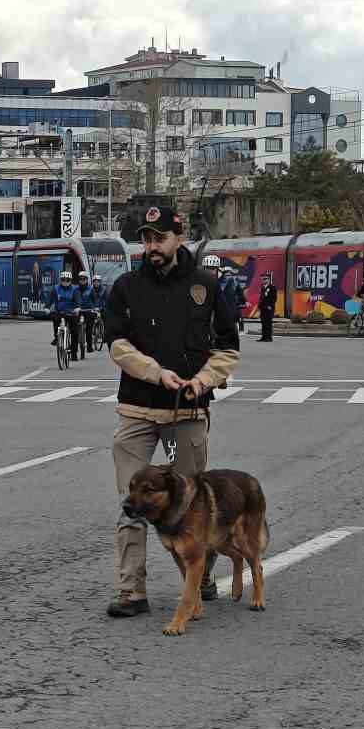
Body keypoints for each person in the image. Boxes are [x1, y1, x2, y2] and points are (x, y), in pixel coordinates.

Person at [101, 207, 240, 618]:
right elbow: (118, 346)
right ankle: (132, 591)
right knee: (131, 503)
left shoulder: (206, 286)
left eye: (159, 238)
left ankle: (202, 575)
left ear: (179, 238)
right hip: (138, 409)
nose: (151, 247)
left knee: (197, 504)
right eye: (146, 239)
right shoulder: (127, 286)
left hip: (188, 410)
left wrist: (202, 381)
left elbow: (228, 349)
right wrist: (157, 374)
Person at [47, 269, 82, 361]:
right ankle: (57, 337)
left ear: (70, 281)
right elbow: (50, 300)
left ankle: (74, 352)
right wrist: (47, 307)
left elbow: (78, 301)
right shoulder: (55, 289)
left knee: (74, 332)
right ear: (60, 280)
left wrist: (77, 307)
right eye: (63, 280)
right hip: (60, 312)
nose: (65, 282)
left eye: (67, 280)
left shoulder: (75, 289)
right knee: (55, 319)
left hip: (71, 312)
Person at [258, 272, 278, 342]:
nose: (263, 280)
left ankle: (269, 337)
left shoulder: (272, 287)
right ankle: (263, 337)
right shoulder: (263, 287)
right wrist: (259, 306)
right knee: (263, 323)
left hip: (269, 308)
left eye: (265, 279)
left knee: (268, 323)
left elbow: (274, 298)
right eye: (262, 279)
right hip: (263, 308)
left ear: (268, 279)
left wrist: (270, 306)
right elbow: (261, 298)